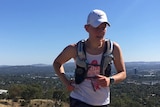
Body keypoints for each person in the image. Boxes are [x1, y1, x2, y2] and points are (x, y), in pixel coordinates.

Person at [53, 9, 126, 107]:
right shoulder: (75, 49)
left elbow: (122, 73)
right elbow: (57, 63)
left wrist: (110, 80)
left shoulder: (114, 48)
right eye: (96, 27)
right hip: (79, 99)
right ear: (87, 28)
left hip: (103, 102)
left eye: (103, 27)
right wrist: (66, 82)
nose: (100, 31)